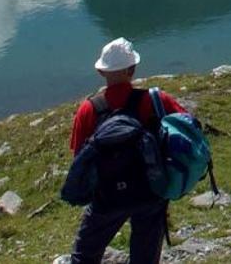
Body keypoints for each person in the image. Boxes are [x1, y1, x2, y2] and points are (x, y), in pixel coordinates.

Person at [67, 38, 184, 264]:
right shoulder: (155, 100)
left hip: (107, 197)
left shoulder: (88, 109)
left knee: (85, 255)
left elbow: (79, 156)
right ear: (132, 69)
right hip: (151, 192)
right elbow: (187, 125)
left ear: (102, 72)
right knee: (145, 257)